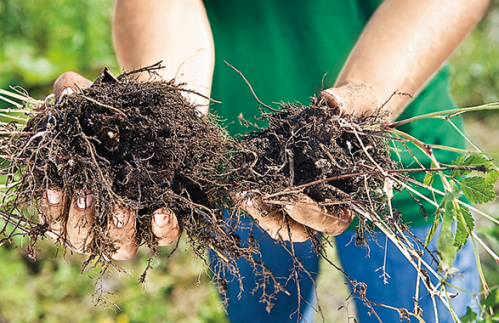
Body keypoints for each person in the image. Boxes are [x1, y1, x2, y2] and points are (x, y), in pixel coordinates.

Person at [45, 0, 489, 321]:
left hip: (397, 159)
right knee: (260, 309)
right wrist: (163, 119)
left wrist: (365, 104)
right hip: (233, 168)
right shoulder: (213, 159)